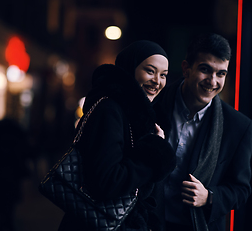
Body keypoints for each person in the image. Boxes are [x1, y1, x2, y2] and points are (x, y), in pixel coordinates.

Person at [57, 40, 175, 231]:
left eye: (164, 75)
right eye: (150, 71)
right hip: (96, 223)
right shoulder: (110, 111)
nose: (157, 81)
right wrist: (154, 153)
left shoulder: (136, 115)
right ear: (130, 69)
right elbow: (107, 181)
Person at [153, 33, 252, 231]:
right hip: (147, 222)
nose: (212, 81)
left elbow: (241, 189)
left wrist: (210, 197)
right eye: (205, 70)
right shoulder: (155, 103)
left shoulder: (238, 126)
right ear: (186, 69)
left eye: (221, 73)